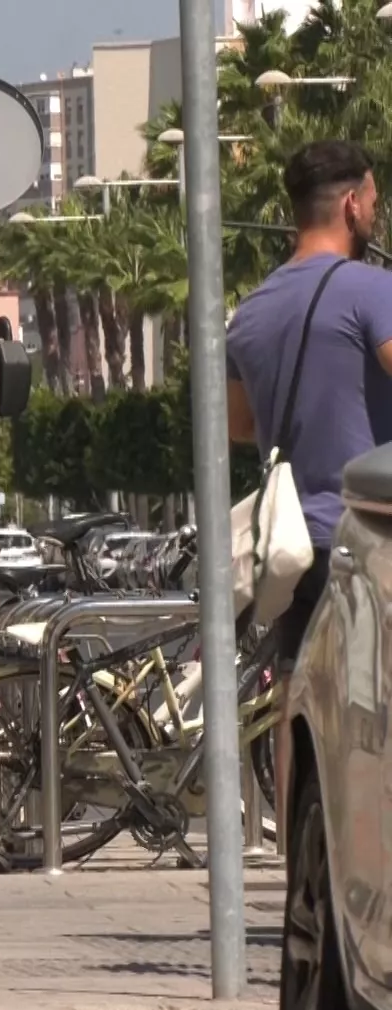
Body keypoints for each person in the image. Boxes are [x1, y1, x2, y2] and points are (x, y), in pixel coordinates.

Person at [227, 139, 392, 671]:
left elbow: (238, 424)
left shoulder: (250, 313)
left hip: (292, 548)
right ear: (351, 204)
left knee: (297, 696)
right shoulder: (373, 291)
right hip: (368, 544)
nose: (373, 214)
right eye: (373, 202)